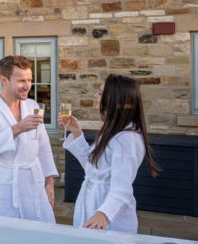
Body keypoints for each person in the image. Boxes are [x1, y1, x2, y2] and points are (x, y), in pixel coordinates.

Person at [61, 74, 158, 233]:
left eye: (100, 93)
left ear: (116, 101)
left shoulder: (126, 138)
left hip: (110, 218)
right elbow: (92, 168)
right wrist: (77, 134)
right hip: (92, 207)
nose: (95, 96)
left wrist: (103, 214)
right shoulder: (113, 129)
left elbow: (122, 189)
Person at [0, 55, 58, 223]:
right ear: (4, 80)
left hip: (33, 184)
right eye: (21, 81)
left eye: (30, 80)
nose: (27, 86)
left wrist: (49, 182)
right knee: (5, 239)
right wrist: (18, 128)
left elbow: (43, 145)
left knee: (42, 235)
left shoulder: (32, 106)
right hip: (4, 189)